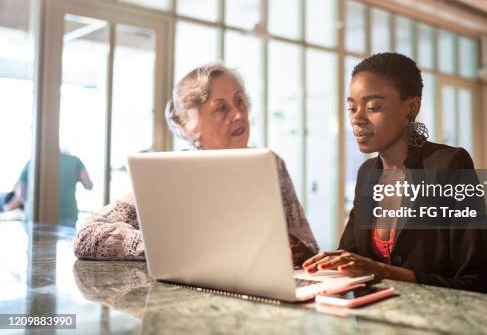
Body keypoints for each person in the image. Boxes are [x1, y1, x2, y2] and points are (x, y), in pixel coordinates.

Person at [73, 64, 318, 264]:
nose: (238, 115)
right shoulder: (172, 173)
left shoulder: (271, 166)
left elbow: (307, 245)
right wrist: (171, 248)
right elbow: (87, 235)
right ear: (189, 125)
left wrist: (293, 248)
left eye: (240, 102)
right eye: (222, 108)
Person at [303, 53, 487, 295]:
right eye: (352, 107)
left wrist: (385, 272)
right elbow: (349, 259)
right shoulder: (367, 174)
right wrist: (306, 258)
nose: (357, 118)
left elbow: (481, 284)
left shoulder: (450, 165)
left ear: (411, 107)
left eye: (373, 107)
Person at [5, 152, 93, 227]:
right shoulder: (75, 161)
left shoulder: (33, 161)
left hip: (36, 218)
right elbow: (88, 185)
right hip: (67, 217)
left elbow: (21, 195)